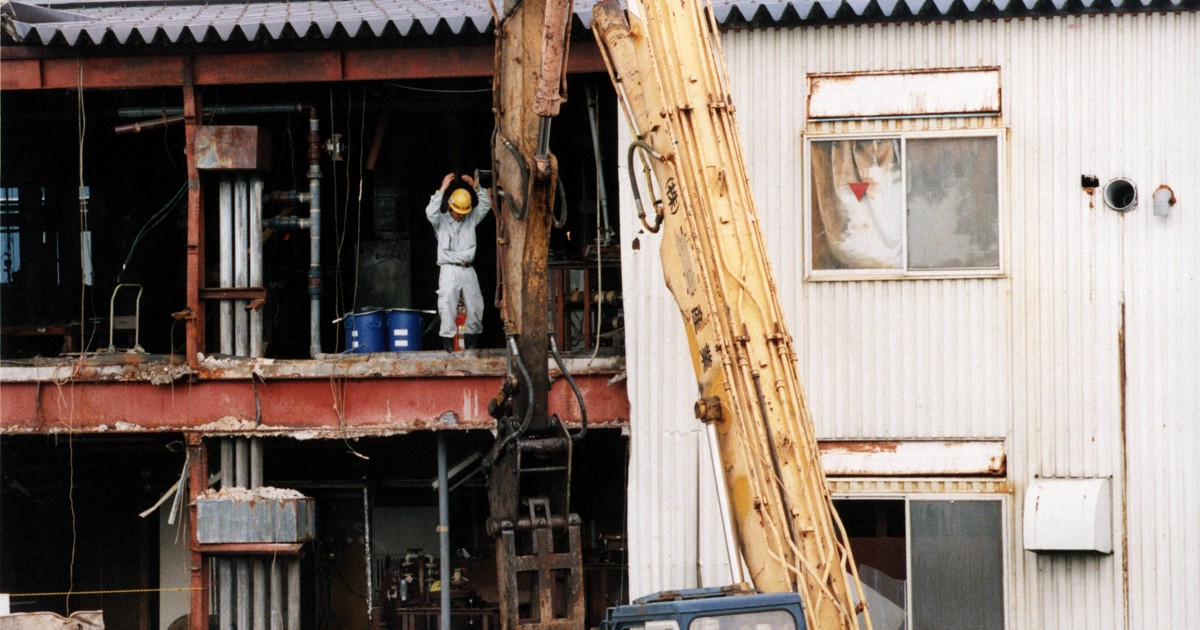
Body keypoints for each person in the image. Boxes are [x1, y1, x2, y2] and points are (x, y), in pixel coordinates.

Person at [425, 172, 491, 352]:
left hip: (468, 269)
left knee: (476, 306)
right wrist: (442, 188)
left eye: (464, 212)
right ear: (451, 206)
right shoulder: (440, 221)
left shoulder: (471, 218)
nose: (461, 215)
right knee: (447, 306)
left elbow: (486, 205)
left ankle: (471, 343)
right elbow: (430, 212)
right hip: (449, 269)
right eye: (458, 212)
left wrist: (476, 188)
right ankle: (448, 345)